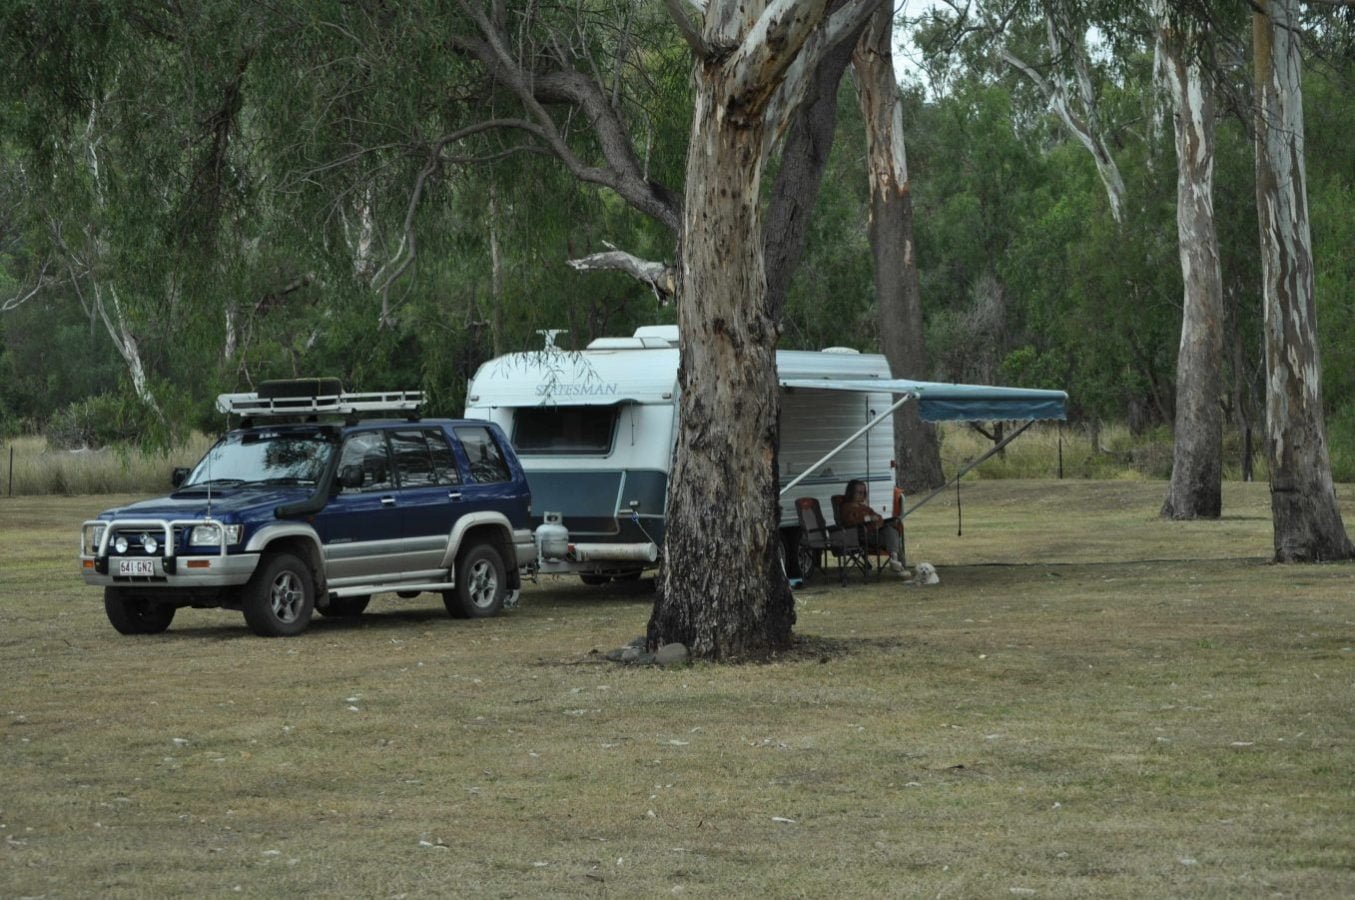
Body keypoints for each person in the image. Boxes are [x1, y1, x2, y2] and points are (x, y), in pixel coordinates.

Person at [838, 479, 907, 575]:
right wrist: (868, 518)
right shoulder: (846, 507)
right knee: (892, 536)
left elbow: (878, 518)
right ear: (851, 493)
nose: (862, 495)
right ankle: (897, 562)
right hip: (860, 536)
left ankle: (895, 560)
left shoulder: (865, 508)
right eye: (859, 492)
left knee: (892, 530)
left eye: (863, 493)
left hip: (874, 534)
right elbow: (850, 521)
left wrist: (877, 522)